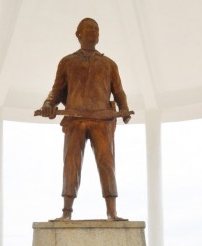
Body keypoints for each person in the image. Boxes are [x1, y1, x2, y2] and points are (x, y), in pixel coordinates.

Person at [39, 17, 133, 221]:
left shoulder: (109, 64)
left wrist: (124, 109)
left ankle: (112, 212)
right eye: (89, 29)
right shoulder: (67, 62)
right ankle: (66, 212)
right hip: (75, 120)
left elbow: (118, 91)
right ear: (78, 34)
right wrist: (48, 105)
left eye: (96, 30)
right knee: (71, 164)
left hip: (103, 121)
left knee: (107, 164)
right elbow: (56, 91)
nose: (94, 33)